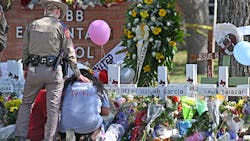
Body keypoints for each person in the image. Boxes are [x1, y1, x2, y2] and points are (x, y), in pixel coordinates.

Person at [14, 0, 90, 140]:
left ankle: (20, 136)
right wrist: (78, 74)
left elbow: (24, 50)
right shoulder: (61, 27)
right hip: (53, 71)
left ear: (46, 11)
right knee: (53, 109)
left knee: (26, 104)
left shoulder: (32, 25)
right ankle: (49, 138)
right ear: (57, 11)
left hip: (34, 70)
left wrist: (26, 67)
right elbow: (70, 53)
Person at [59, 65, 110, 141]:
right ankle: (91, 138)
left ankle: (71, 136)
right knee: (102, 122)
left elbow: (59, 107)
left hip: (66, 126)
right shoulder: (97, 87)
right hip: (90, 126)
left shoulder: (66, 87)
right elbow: (106, 112)